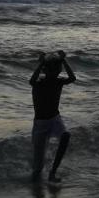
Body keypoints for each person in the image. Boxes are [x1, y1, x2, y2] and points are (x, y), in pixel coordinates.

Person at [29, 51, 76, 181]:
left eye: (57, 69)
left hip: (55, 119)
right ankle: (36, 190)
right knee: (37, 168)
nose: (55, 72)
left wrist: (63, 60)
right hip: (40, 124)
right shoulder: (39, 83)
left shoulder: (58, 82)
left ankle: (53, 172)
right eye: (52, 69)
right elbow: (31, 80)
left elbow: (72, 78)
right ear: (45, 70)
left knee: (65, 135)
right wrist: (41, 63)